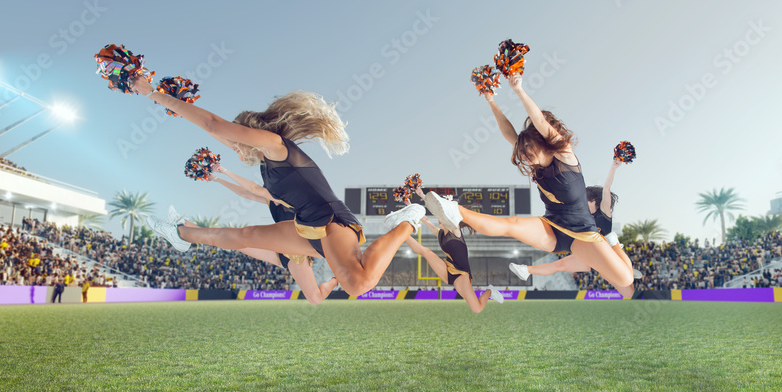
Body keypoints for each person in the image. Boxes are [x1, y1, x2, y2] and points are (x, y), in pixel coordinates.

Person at [125, 73, 424, 297]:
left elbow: (213, 125)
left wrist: (154, 94)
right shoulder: (267, 164)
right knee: (247, 235)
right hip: (306, 226)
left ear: (250, 132)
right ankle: (180, 232)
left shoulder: (276, 146)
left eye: (239, 142)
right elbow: (222, 135)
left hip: (330, 220)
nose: (236, 149)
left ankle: (406, 222)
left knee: (356, 284)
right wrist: (179, 107)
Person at [426, 73, 635, 297]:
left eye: (528, 150)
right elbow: (509, 133)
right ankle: (455, 210)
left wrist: (518, 90)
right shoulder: (536, 166)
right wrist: (490, 100)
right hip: (552, 227)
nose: (524, 156)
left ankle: (613, 243)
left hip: (583, 232)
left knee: (626, 278)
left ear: (541, 143)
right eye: (521, 152)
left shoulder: (565, 155)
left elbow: (541, 122)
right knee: (512, 225)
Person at [169, 161, 338, 304]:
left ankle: (336, 280)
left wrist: (225, 171)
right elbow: (245, 193)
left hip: (296, 255)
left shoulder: (293, 198)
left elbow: (254, 189)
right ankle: (183, 224)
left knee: (315, 298)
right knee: (235, 243)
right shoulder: (272, 200)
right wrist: (217, 179)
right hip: (279, 246)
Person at [508, 158, 636, 281]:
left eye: (586, 202)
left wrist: (613, 167)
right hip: (591, 253)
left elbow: (606, 189)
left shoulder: (604, 212)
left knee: (625, 277)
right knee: (559, 265)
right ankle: (526, 270)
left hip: (609, 250)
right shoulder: (580, 217)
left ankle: (622, 262)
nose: (582, 205)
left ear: (595, 201)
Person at [402, 188, 503, 313]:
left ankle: (489, 291)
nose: (439, 220)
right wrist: (410, 204)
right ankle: (401, 234)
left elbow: (440, 210)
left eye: (442, 219)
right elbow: (425, 219)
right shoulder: (439, 234)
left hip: (459, 274)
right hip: (453, 271)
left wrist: (423, 196)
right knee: (426, 252)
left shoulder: (456, 231)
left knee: (477, 309)